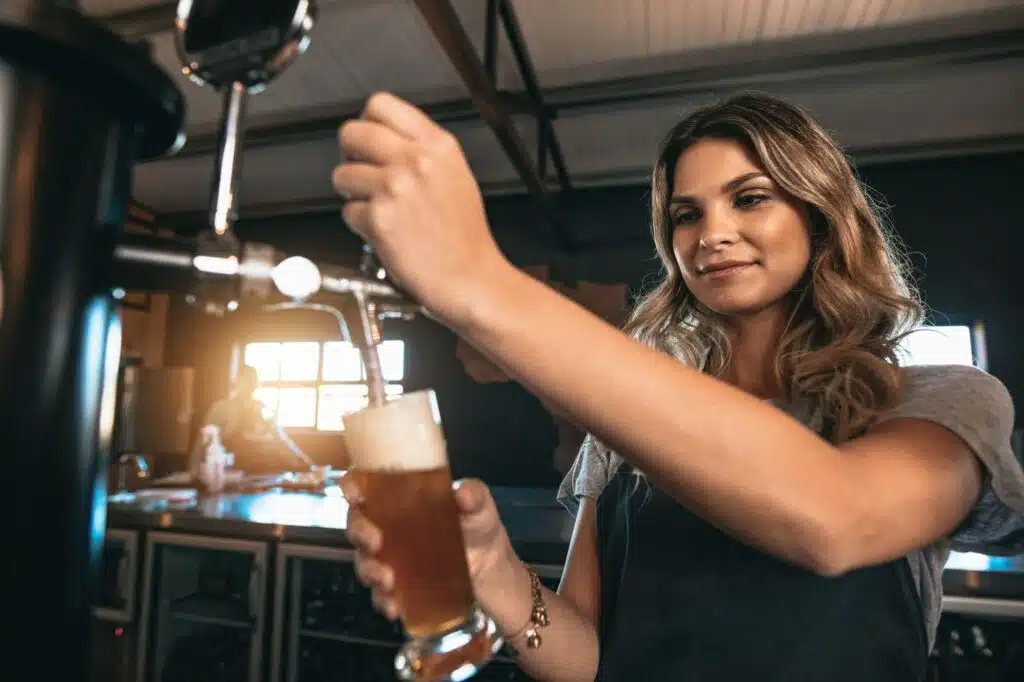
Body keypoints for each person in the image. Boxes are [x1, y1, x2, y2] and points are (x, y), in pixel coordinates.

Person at [332, 91, 1024, 681]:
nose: (711, 233)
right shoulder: (628, 428)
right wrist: (497, 576)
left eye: (750, 199)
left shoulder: (941, 402)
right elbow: (586, 660)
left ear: (818, 216)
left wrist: (478, 282)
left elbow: (834, 519)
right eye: (686, 214)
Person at [190, 365, 313, 476]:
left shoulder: (263, 408)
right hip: (231, 472)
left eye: (253, 381)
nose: (249, 385)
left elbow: (282, 439)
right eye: (246, 380)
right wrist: (193, 470)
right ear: (236, 382)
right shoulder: (221, 408)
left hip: (265, 473)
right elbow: (202, 441)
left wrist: (303, 460)